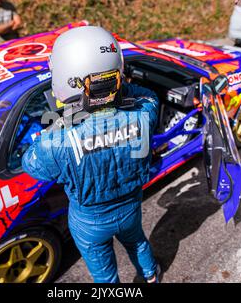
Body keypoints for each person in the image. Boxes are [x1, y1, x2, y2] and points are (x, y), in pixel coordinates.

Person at [21, 26, 160, 283]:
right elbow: (149, 97)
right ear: (117, 75)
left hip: (89, 221)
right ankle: (151, 276)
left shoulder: (56, 141)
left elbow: (29, 164)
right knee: (138, 242)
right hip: (130, 207)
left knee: (104, 274)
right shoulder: (144, 114)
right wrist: (116, 93)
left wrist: (62, 121)